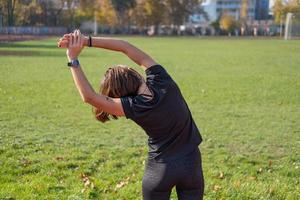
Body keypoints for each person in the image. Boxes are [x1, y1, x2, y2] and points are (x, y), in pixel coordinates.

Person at [57, 30, 204, 200]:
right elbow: (124, 47)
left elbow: (89, 97)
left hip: (160, 170)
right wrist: (87, 41)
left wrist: (73, 59)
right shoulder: (161, 79)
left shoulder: (133, 106)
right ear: (132, 73)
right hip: (191, 164)